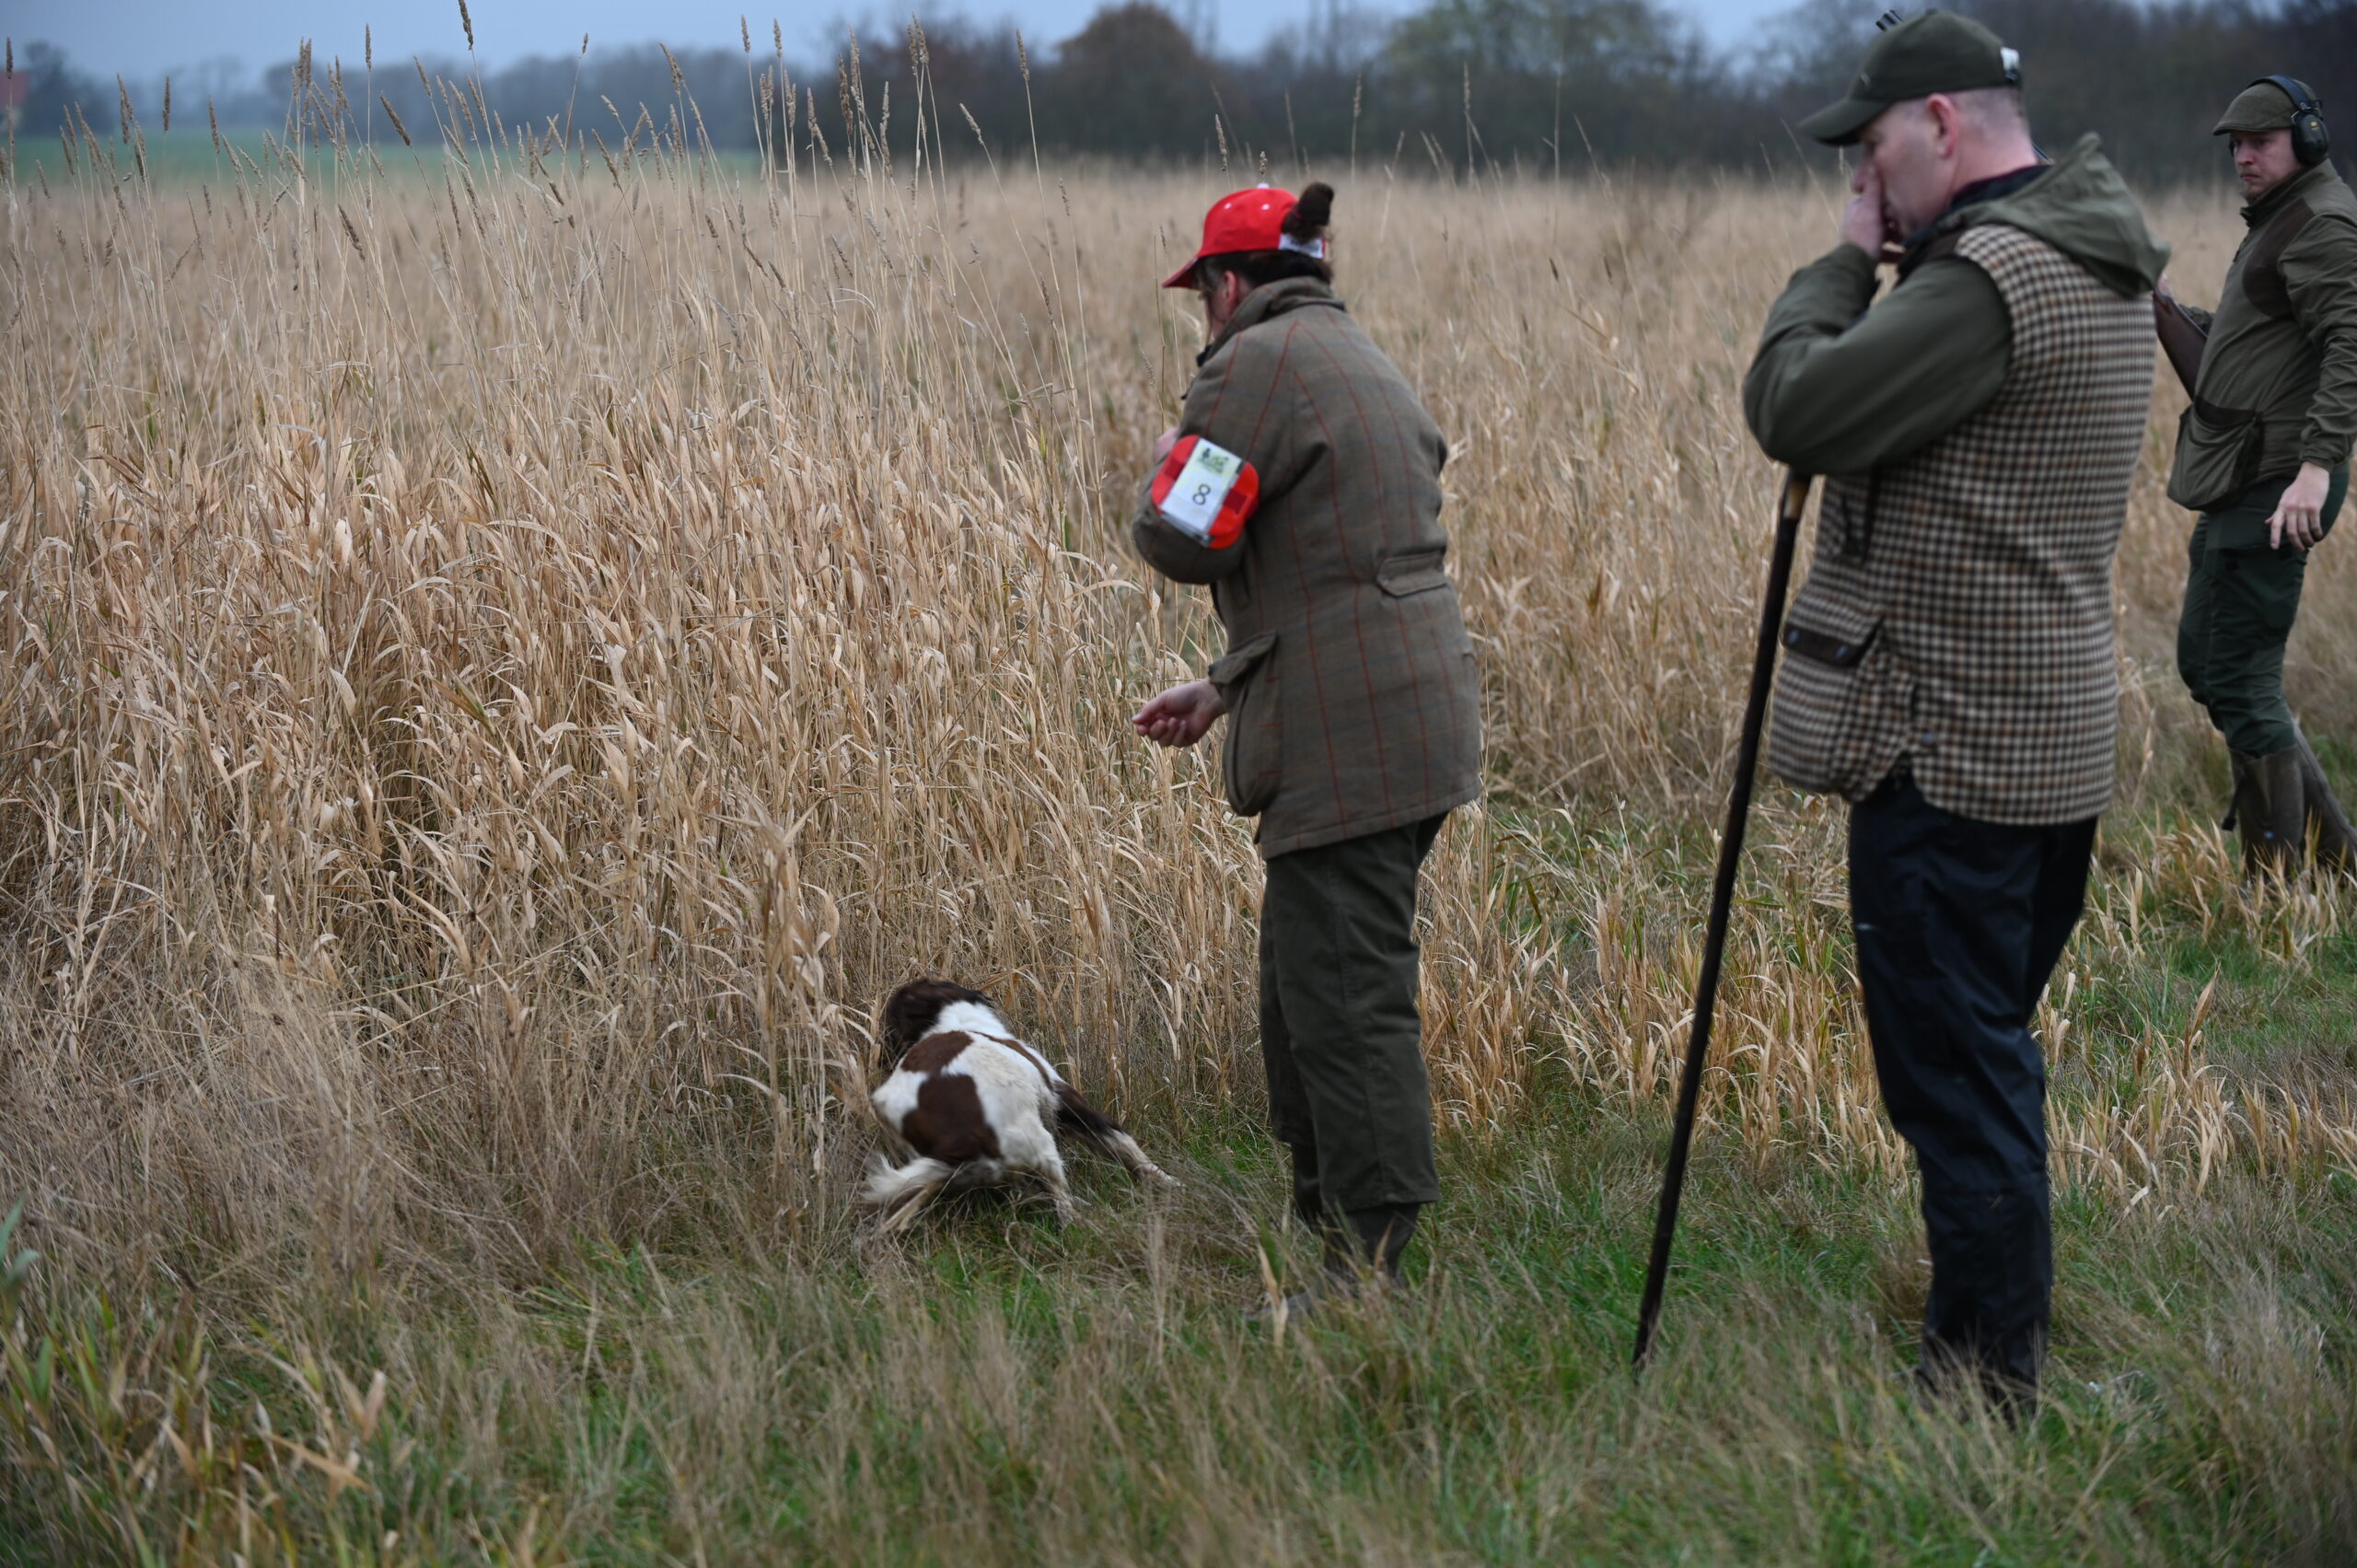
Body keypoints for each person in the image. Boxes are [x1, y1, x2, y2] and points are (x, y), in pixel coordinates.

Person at [1742, 11, 2167, 1407]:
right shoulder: (2092, 249)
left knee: (1959, 1087)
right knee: (1983, 1061)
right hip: (2045, 737)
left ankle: (1982, 1387)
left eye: (1871, 154)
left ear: (1938, 121)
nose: (1865, 188)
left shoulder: (1987, 277)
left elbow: (1797, 404)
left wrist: (1836, 263)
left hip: (1951, 749)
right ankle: (1989, 1348)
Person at [1128, 182, 1480, 1314]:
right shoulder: (1355, 354)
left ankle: (1364, 1273)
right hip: (1401, 716)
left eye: (1204, 297)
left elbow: (1180, 535)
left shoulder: (1255, 365)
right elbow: (1345, 566)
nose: (1205, 317)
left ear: (1227, 287)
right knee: (1301, 992)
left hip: (1352, 740)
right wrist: (1227, 685)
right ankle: (1329, 1233)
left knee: (1341, 1001)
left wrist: (1171, 481)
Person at [2154, 76, 2357, 877]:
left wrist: (2314, 471)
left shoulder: (2322, 226)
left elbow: (2352, 346)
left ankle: (2279, 883)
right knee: (2206, 662)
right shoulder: (2279, 222)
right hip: (2245, 478)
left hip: (2280, 484)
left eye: (2260, 141)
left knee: (2240, 679)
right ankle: (2334, 858)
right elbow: (2245, 362)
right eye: (2235, 143)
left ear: (2306, 140)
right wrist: (2166, 305)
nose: (2242, 154)